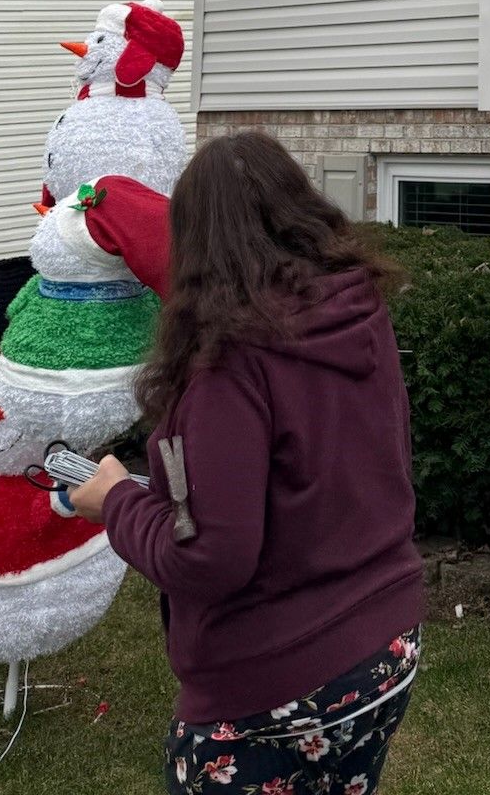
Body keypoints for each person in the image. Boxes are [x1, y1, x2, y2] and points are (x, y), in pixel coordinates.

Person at [68, 131, 423, 795]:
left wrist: (114, 500)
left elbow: (209, 558)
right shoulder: (357, 308)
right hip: (387, 647)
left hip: (278, 686)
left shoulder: (227, 366)